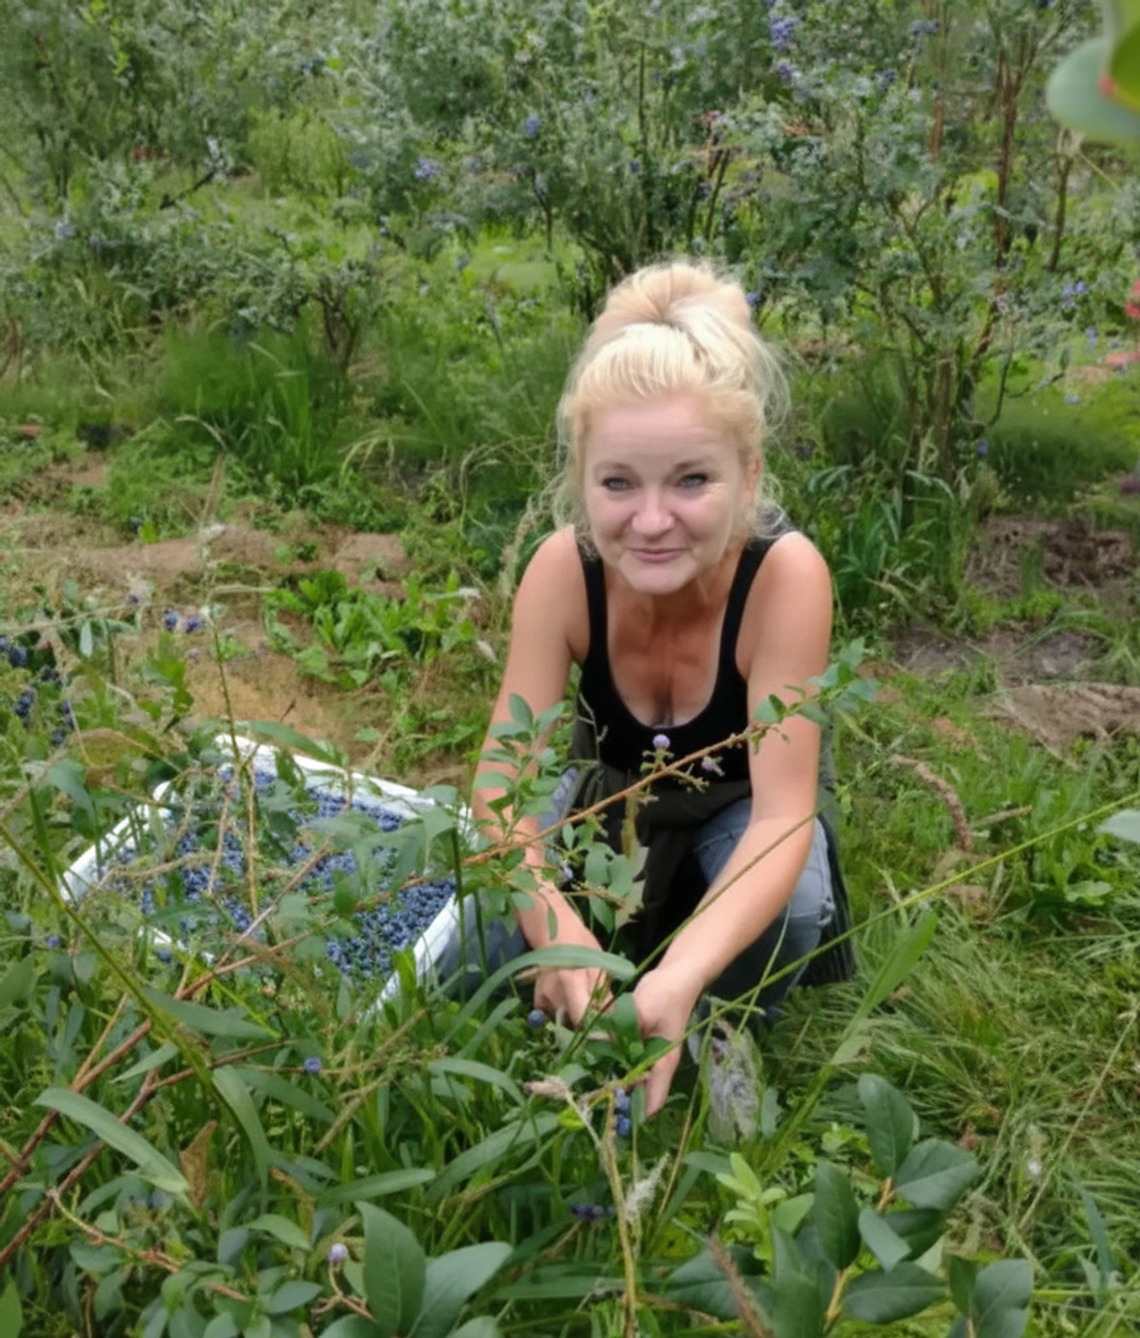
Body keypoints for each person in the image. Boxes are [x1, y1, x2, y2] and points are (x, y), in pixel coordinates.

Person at [459, 260, 853, 1116]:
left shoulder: (784, 579)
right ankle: (566, 1006)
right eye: (618, 483)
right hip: (609, 795)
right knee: (485, 936)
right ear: (582, 480)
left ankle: (716, 1022)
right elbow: (500, 794)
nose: (650, 520)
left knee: (799, 904)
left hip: (734, 808)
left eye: (692, 480)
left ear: (748, 477)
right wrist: (554, 932)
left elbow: (785, 812)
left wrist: (679, 975)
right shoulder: (564, 571)